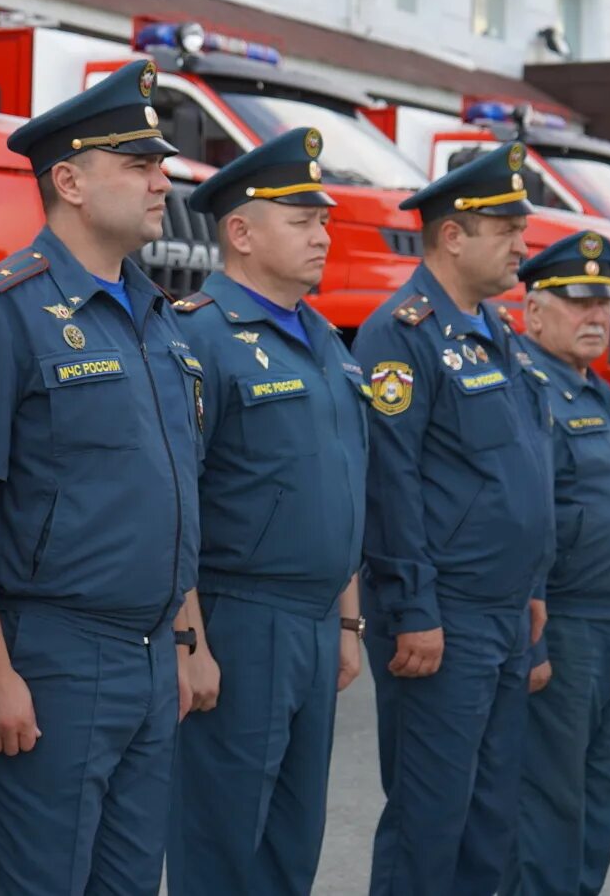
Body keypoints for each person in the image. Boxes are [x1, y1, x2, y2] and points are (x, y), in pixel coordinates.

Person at [0, 60, 202, 896]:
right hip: (52, 653)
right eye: (138, 165)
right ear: (70, 181)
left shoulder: (154, 313)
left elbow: (172, 491)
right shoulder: (5, 306)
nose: (162, 181)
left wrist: (183, 638)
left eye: (159, 163)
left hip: (146, 653)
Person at [165, 128, 369, 896]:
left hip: (315, 621)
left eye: (324, 220)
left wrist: (347, 619)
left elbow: (342, 487)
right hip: (239, 619)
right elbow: (179, 496)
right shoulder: (200, 335)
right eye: (301, 219)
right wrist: (190, 638)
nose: (322, 235)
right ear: (241, 233)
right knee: (220, 840)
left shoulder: (325, 340)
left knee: (292, 843)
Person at [352, 144, 555, 896]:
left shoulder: (496, 332)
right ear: (452, 234)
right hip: (446, 616)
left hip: (505, 609)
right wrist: (412, 607)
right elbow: (391, 481)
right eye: (506, 228)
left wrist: (534, 584)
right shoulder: (400, 334)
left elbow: (523, 470)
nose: (522, 245)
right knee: (429, 818)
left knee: (490, 815)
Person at [501, 231, 610, 896]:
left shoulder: (593, 389)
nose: (595, 316)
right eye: (576, 302)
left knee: (602, 793)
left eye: (602, 302)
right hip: (566, 623)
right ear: (534, 309)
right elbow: (525, 518)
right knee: (549, 803)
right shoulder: (528, 386)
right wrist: (532, 634)